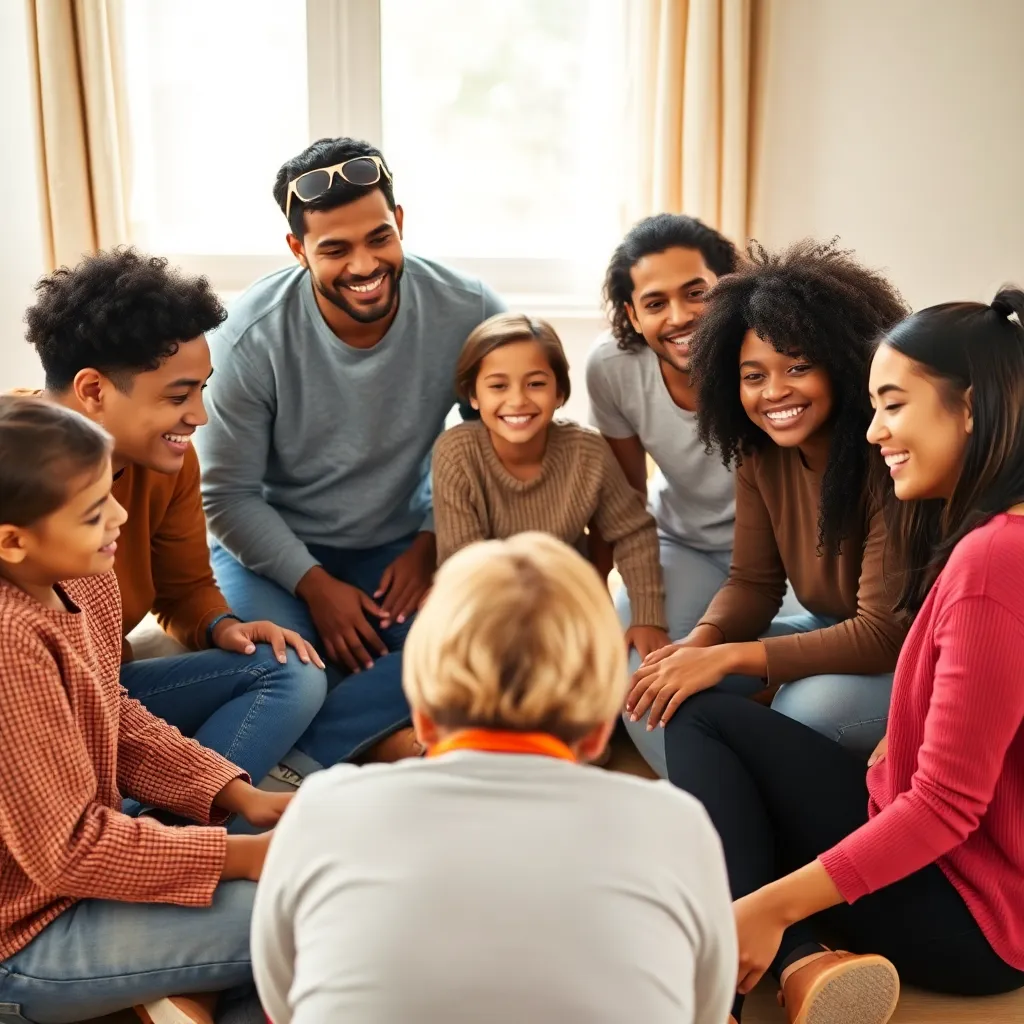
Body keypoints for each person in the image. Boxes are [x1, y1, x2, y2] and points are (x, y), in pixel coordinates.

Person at [662, 288, 1024, 1024]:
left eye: (893, 405)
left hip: (974, 917)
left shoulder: (994, 560)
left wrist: (767, 906)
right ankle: (795, 960)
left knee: (714, 742)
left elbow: (944, 811)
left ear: (969, 411)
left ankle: (749, 970)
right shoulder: (988, 534)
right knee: (708, 723)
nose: (875, 431)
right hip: (969, 874)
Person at [252, 533, 735, 1024]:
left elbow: (281, 999)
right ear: (597, 731)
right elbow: (705, 1010)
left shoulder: (320, 810)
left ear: (421, 717)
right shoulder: (677, 827)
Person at [196, 137, 505, 775]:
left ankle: (302, 760)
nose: (364, 264)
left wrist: (431, 539)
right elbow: (226, 495)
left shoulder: (469, 308)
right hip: (270, 552)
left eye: (379, 237)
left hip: (398, 543)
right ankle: (365, 745)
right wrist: (316, 586)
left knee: (472, 653)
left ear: (401, 225)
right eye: (335, 249)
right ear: (297, 249)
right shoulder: (247, 337)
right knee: (283, 671)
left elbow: (499, 442)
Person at [0, 396, 288, 1024]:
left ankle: (180, 997)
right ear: (14, 542)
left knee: (301, 898)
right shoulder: (10, 645)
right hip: (23, 932)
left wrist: (241, 798)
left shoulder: (86, 577)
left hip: (86, 871)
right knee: (307, 918)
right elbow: (67, 851)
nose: (122, 518)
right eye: (95, 511)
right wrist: (242, 856)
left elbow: (115, 713)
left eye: (113, 493)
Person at [23, 249, 326, 793]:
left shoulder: (170, 462)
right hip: (31, 712)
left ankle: (169, 827)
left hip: (109, 694)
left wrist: (220, 625)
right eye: (179, 395)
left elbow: (183, 585)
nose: (200, 415)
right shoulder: (12, 472)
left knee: (291, 670)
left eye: (202, 388)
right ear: (93, 390)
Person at [627, 240, 909, 759]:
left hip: (907, 657)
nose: (774, 392)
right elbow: (753, 584)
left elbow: (881, 634)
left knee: (804, 711)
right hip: (827, 626)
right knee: (656, 685)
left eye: (797, 367)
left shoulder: (887, 456)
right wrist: (701, 643)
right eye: (754, 376)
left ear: (845, 364)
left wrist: (729, 658)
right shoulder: (760, 456)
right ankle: (722, 809)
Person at [586, 213, 741, 776]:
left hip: (789, 562)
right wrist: (639, 600)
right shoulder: (613, 366)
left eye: (695, 292)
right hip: (684, 546)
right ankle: (707, 798)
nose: (679, 317)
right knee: (640, 677)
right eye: (655, 303)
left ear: (728, 285)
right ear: (631, 313)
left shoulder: (769, 352)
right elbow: (627, 498)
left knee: (793, 688)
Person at [432, 313, 667, 645]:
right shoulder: (456, 452)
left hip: (566, 601)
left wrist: (648, 619)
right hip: (482, 607)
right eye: (498, 386)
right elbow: (464, 561)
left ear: (559, 392)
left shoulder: (587, 450)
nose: (517, 400)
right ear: (473, 396)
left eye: (536, 384)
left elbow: (634, 534)